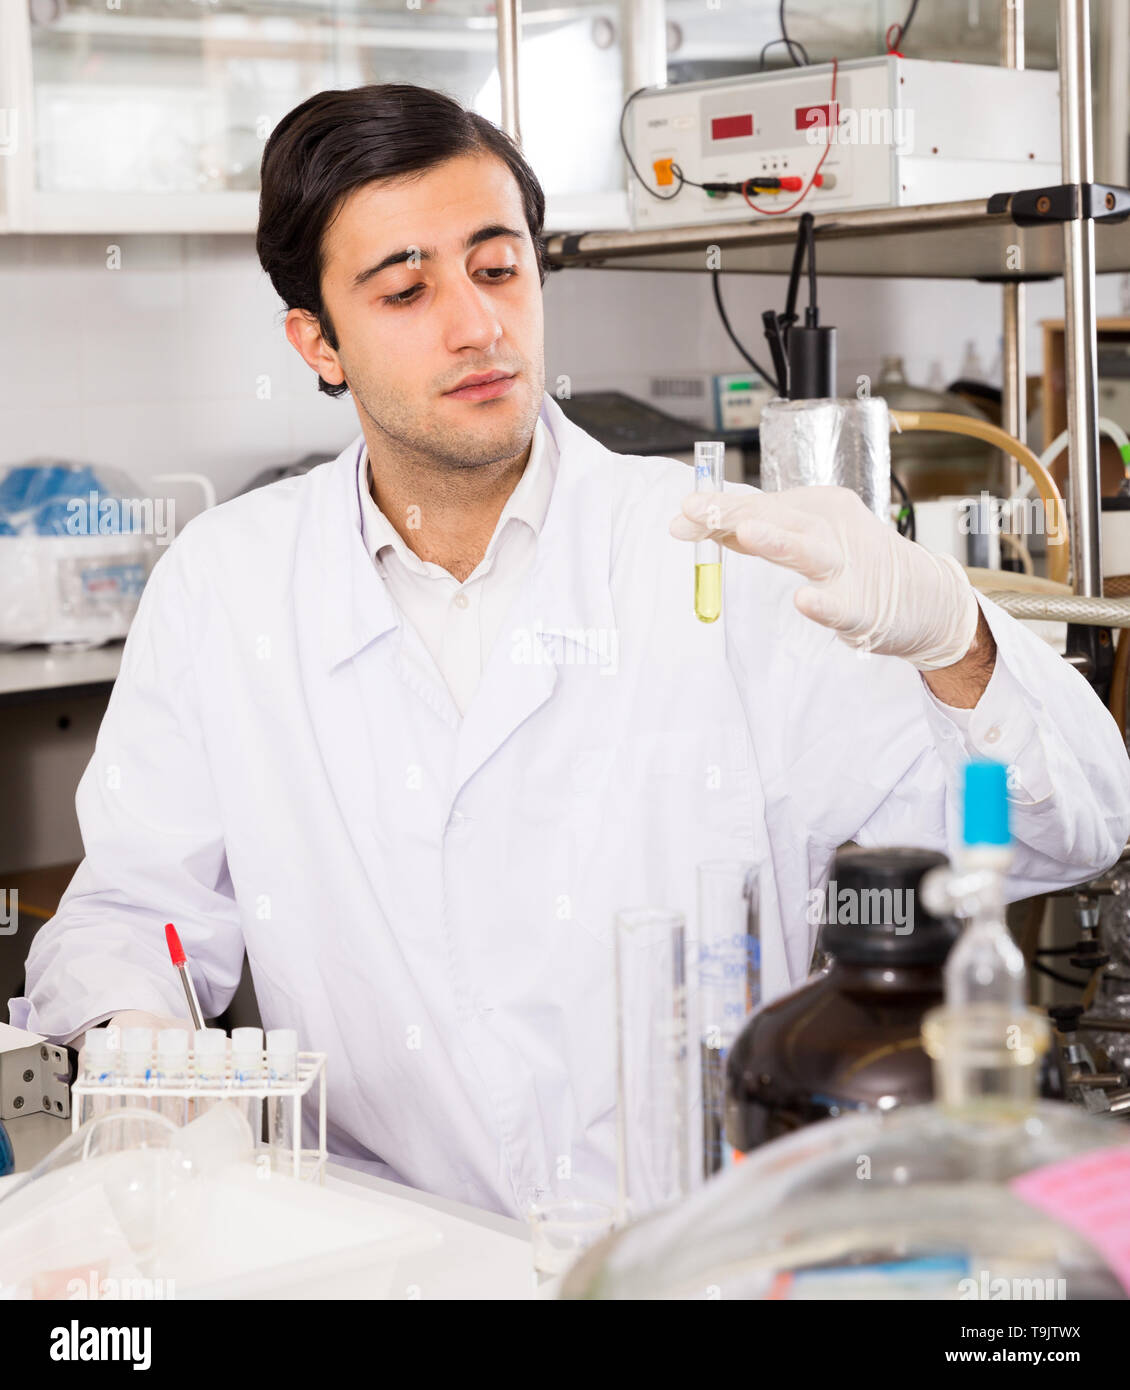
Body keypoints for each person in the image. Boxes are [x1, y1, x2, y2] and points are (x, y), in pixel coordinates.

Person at [12, 84, 1130, 1218]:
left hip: (700, 1253)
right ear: (318, 342)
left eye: (496, 269)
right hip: (381, 1253)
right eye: (405, 289)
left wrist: (953, 632)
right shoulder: (227, 583)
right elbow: (132, 912)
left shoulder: (723, 551)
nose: (474, 325)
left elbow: (1072, 826)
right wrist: (136, 1043)